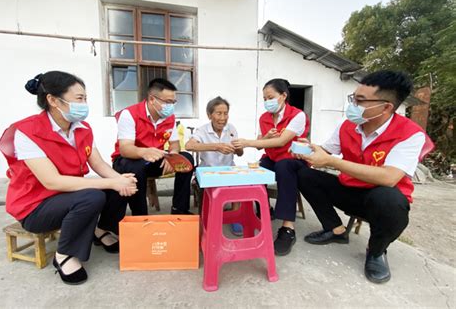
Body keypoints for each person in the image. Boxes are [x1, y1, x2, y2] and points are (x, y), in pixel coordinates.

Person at [0, 71, 138, 285]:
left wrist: (121, 180)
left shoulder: (82, 129)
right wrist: (112, 182)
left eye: (85, 98)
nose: (84, 104)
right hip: (36, 206)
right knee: (92, 197)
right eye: (79, 98)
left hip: (67, 194)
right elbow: (52, 182)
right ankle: (64, 255)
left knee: (119, 185)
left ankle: (100, 229)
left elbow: (98, 163)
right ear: (53, 100)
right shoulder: (27, 132)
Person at [294, 70, 434, 284]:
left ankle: (376, 251)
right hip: (349, 190)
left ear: (386, 107)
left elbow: (389, 178)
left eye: (360, 101)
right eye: (353, 98)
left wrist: (332, 162)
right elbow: (325, 151)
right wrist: (309, 149)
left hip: (379, 198)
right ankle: (336, 229)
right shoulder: (348, 125)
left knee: (390, 200)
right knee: (305, 174)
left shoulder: (409, 134)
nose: (353, 105)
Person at [232, 78, 310, 255]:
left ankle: (288, 229)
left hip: (294, 159)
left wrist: (246, 142)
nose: (267, 102)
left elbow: (282, 141)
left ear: (283, 96)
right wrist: (264, 137)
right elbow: (261, 145)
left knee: (284, 167)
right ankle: (264, 211)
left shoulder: (297, 115)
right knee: (257, 168)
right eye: (265, 99)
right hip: (273, 157)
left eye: (270, 97)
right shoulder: (264, 118)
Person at [110, 78, 195, 216]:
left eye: (173, 102)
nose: (171, 106)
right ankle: (140, 215)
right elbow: (125, 149)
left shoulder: (169, 118)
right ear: (151, 99)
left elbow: (175, 144)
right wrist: (145, 152)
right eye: (167, 102)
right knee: (135, 167)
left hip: (155, 160)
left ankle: (179, 210)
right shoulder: (129, 114)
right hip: (129, 160)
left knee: (186, 159)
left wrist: (172, 156)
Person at [185, 96, 244, 235]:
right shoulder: (203, 130)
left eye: (225, 113)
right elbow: (189, 146)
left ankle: (235, 216)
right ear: (209, 115)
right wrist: (216, 146)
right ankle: (209, 217)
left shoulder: (231, 129)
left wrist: (239, 148)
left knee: (239, 182)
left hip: (228, 168)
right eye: (218, 113)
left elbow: (240, 154)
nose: (223, 118)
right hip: (208, 171)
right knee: (210, 191)